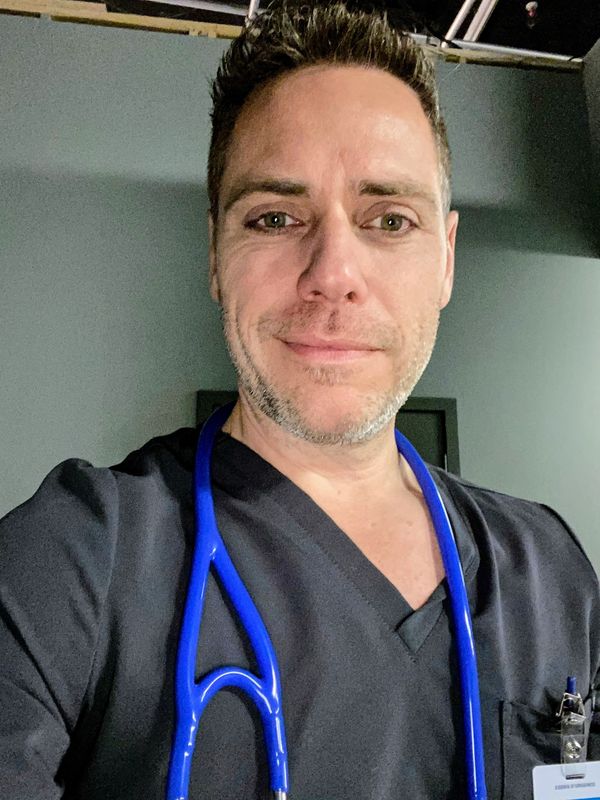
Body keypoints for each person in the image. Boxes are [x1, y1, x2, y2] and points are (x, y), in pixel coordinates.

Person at [1, 2, 599, 798]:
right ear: (215, 251)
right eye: (276, 216)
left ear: (447, 258)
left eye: (389, 219)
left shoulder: (547, 566)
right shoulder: (78, 555)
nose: (332, 271)